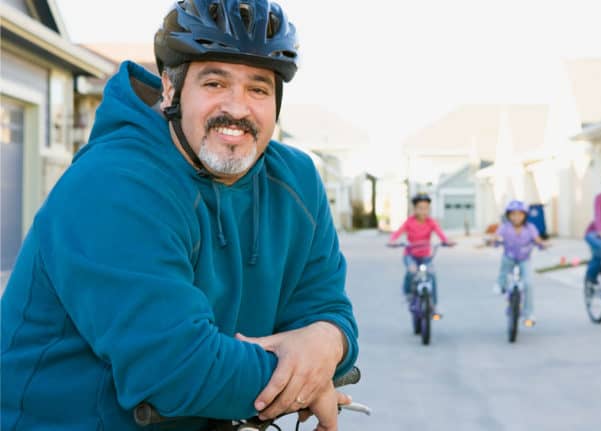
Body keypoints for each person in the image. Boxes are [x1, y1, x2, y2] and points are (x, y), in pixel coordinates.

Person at [0, 1, 358, 430]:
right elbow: (174, 366)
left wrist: (327, 341)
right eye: (214, 82)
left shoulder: (296, 180)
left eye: (258, 89)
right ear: (170, 90)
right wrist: (308, 383)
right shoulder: (112, 184)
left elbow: (327, 307)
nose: (238, 108)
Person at [388, 193, 455, 314]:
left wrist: (447, 241)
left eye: (426, 208)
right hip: (410, 255)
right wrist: (393, 240)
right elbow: (398, 232)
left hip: (426, 256)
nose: (424, 211)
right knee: (411, 270)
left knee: (431, 275)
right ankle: (407, 291)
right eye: (420, 208)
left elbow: (440, 234)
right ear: (415, 209)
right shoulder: (409, 221)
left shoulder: (431, 222)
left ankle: (433, 306)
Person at [494, 200, 547, 327]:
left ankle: (528, 314)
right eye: (513, 214)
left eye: (519, 214)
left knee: (528, 284)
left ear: (525, 215)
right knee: (504, 268)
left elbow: (537, 239)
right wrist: (493, 240)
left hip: (524, 259)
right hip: (509, 257)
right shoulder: (505, 227)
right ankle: (501, 285)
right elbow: (496, 237)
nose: (516, 217)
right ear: (508, 215)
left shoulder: (530, 228)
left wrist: (542, 244)